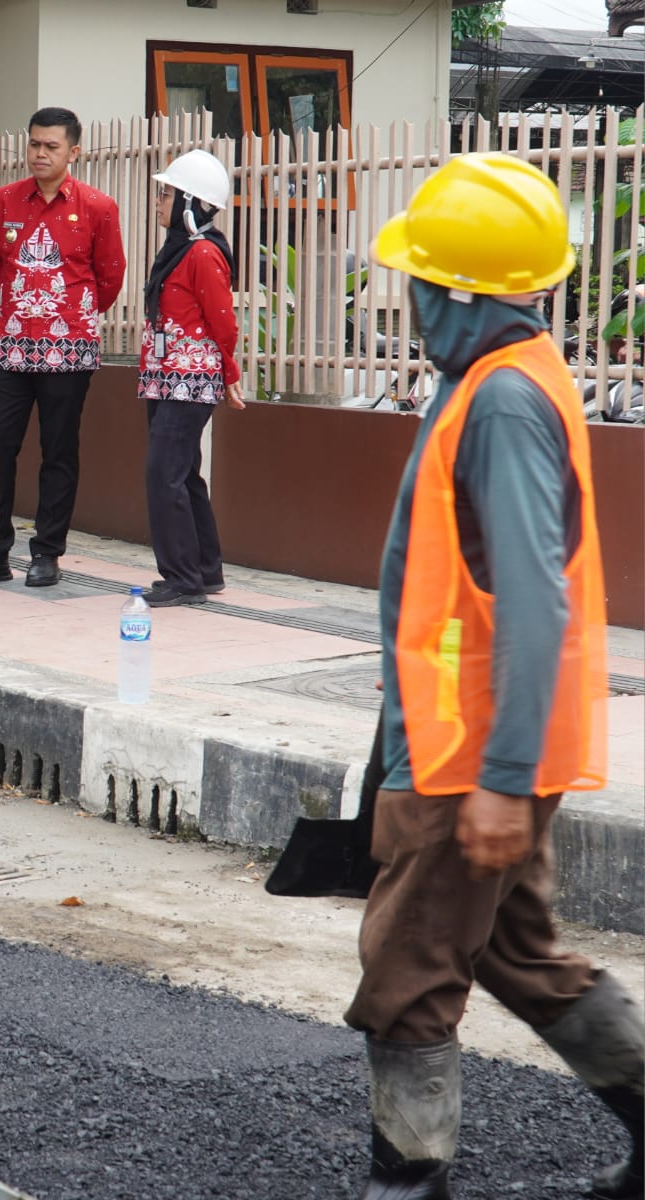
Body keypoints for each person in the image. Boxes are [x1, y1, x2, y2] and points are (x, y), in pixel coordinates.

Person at [344, 152, 640, 1200]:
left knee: (407, 971)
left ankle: (406, 1180)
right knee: (518, 952)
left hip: (473, 753)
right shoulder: (491, 380)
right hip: (458, 738)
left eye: (419, 279)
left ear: (458, 291)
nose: (409, 298)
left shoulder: (501, 402)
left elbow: (530, 596)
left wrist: (503, 778)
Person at [0, 106, 126, 589]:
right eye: (34, 144)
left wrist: (68, 316)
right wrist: (24, 310)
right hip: (7, 343)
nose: (40, 154)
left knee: (59, 451)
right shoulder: (2, 201)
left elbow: (109, 276)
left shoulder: (97, 206)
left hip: (67, 348)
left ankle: (47, 553)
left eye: (51, 146)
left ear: (74, 151)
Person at [136, 149, 246, 608]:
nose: (158, 201)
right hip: (168, 378)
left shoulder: (201, 253)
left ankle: (183, 578)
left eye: (166, 193)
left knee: (164, 473)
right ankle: (203, 570)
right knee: (182, 475)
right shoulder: (179, 249)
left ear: (189, 203)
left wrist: (231, 373)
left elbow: (224, 321)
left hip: (189, 380)